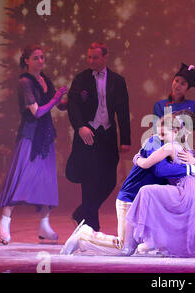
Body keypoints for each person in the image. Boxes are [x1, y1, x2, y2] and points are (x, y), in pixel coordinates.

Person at [61, 110, 195, 257]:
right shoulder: (153, 142)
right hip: (130, 198)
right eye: (159, 131)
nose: (159, 135)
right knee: (125, 248)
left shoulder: (178, 145)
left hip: (152, 196)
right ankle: (84, 236)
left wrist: (194, 166)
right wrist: (141, 160)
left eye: (164, 132)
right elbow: (159, 170)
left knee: (164, 231)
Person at [0, 44, 67, 245]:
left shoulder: (45, 80)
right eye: (36, 58)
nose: (41, 61)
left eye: (42, 57)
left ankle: (44, 225)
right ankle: (4, 222)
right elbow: (37, 112)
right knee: (20, 177)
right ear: (26, 60)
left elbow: (59, 105)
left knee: (46, 180)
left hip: (45, 137)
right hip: (29, 136)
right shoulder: (25, 82)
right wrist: (55, 98)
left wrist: (76, 98)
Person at [66, 42, 131, 232]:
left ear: (105, 57)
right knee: (89, 179)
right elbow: (73, 105)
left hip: (108, 134)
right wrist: (80, 127)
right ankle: (91, 225)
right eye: (89, 57)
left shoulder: (117, 81)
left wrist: (125, 139)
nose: (91, 61)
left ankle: (83, 212)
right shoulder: (81, 79)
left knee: (109, 179)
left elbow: (123, 110)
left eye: (95, 57)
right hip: (88, 134)